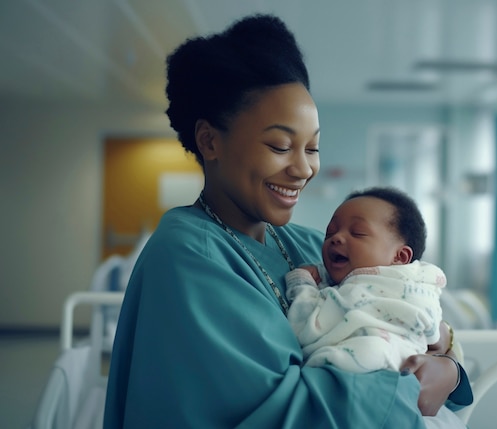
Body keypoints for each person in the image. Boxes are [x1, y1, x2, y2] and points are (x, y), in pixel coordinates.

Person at [103, 13, 472, 429]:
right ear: (210, 141)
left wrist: (449, 368)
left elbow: (409, 315)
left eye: (312, 148)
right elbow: (284, 412)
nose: (303, 169)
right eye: (280, 145)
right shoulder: (189, 254)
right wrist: (409, 388)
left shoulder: (309, 243)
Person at [285, 186, 447, 373]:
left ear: (400, 257)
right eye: (330, 232)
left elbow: (306, 328)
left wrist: (302, 283)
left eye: (358, 233)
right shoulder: (422, 281)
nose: (336, 238)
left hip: (374, 359)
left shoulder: (363, 289)